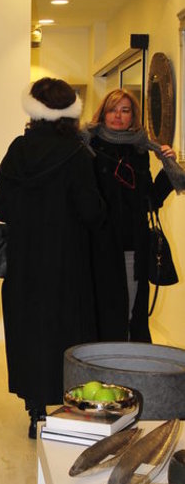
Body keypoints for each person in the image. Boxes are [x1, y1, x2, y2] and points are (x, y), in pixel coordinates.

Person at [0, 77, 106, 438]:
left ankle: (36, 409)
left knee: (29, 331)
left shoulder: (18, 150)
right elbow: (91, 212)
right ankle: (66, 405)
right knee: (67, 331)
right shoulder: (77, 154)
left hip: (25, 260)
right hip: (68, 262)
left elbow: (0, 207)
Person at [82, 88, 183, 342]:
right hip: (96, 245)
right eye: (112, 110)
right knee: (99, 311)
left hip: (131, 245)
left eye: (124, 110)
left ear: (133, 116)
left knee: (129, 312)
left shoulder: (139, 150)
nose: (118, 115)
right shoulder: (87, 146)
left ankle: (125, 360)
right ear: (103, 114)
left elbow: (151, 200)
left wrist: (168, 168)